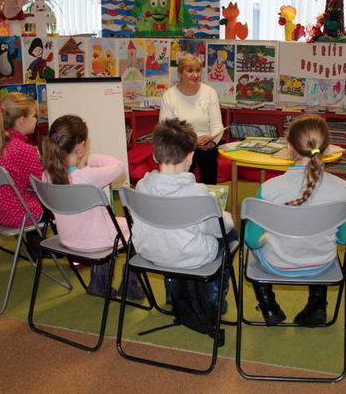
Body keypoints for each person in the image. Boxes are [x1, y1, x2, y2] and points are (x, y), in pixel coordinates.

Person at [243, 114, 346, 327]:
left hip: (278, 264)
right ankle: (317, 304)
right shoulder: (344, 189)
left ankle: (268, 306)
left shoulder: (269, 189)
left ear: (289, 147)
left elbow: (252, 240)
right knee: (322, 242)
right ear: (327, 148)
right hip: (321, 265)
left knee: (250, 244)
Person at [131, 118, 238, 313]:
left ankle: (172, 287)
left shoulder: (141, 186)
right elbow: (217, 229)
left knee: (168, 230)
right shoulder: (197, 193)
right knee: (230, 233)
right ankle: (215, 292)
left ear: (154, 155)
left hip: (149, 251)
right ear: (190, 156)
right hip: (190, 256)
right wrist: (227, 217)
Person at [41, 115, 144, 300]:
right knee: (139, 227)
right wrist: (87, 159)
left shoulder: (46, 176)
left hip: (67, 239)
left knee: (109, 224)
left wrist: (79, 159)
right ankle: (129, 285)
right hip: (98, 241)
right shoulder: (86, 176)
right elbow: (118, 165)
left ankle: (99, 282)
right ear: (80, 147)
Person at [0, 92, 43, 228]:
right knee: (62, 204)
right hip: (24, 215)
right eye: (34, 116)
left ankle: (36, 242)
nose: (36, 120)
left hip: (0, 213)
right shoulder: (22, 149)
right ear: (22, 121)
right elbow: (41, 186)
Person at [159, 53, 223, 185]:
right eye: (190, 71)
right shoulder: (169, 95)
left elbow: (217, 125)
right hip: (181, 144)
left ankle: (209, 193)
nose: (195, 74)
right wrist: (192, 141)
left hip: (206, 144)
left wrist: (213, 142)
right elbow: (166, 130)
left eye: (198, 70)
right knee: (184, 174)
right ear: (180, 74)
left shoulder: (209, 92)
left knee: (209, 159)